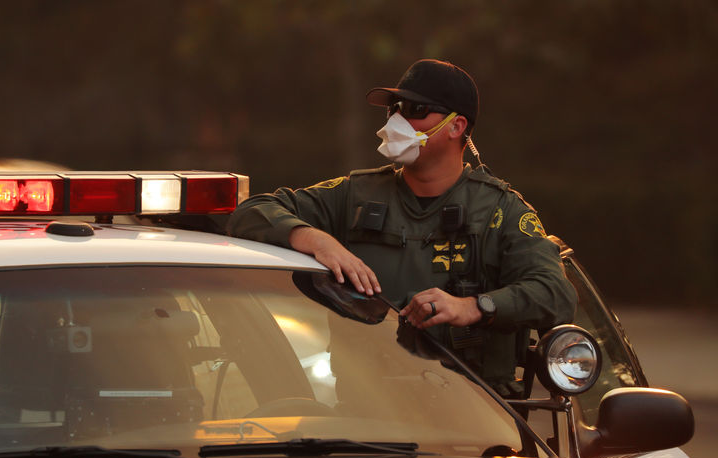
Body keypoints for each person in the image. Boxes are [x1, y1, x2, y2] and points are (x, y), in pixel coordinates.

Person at [227, 59, 577, 397]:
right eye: (393, 108)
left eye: (414, 110)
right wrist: (317, 240)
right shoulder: (354, 196)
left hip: (478, 424)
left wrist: (473, 306)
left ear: (456, 127)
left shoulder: (501, 210)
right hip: (371, 420)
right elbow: (251, 211)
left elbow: (556, 294)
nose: (397, 119)